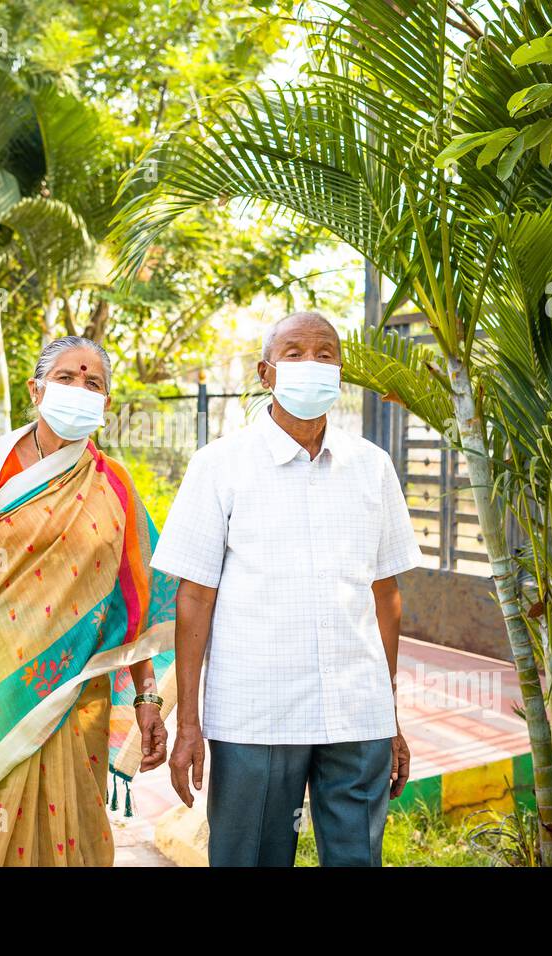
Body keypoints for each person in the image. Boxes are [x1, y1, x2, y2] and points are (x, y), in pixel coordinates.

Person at [150, 311, 422, 866]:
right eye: (294, 353)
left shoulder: (372, 468)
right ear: (266, 373)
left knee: (355, 859)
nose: (311, 365)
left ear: (340, 371)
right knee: (251, 857)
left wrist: (389, 716)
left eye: (325, 354)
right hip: (257, 713)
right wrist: (190, 723)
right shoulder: (219, 467)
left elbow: (385, 596)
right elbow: (194, 599)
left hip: (357, 713)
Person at [0, 335, 177, 866]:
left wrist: (148, 701)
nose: (80, 390)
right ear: (36, 389)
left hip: (75, 698)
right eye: (67, 378)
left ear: (106, 404)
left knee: (65, 831)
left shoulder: (114, 486)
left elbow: (139, 610)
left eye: (93, 383)